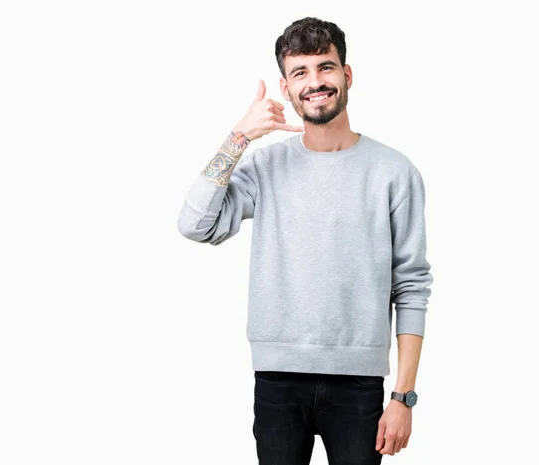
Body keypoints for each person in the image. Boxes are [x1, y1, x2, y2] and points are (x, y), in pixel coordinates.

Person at [177, 16, 433, 465]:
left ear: (347, 75)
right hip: (277, 379)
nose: (315, 83)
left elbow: (410, 284)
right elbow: (196, 224)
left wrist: (403, 396)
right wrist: (239, 137)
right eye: (301, 73)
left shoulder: (394, 172)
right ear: (286, 88)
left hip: (359, 385)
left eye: (325, 67)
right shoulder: (265, 167)